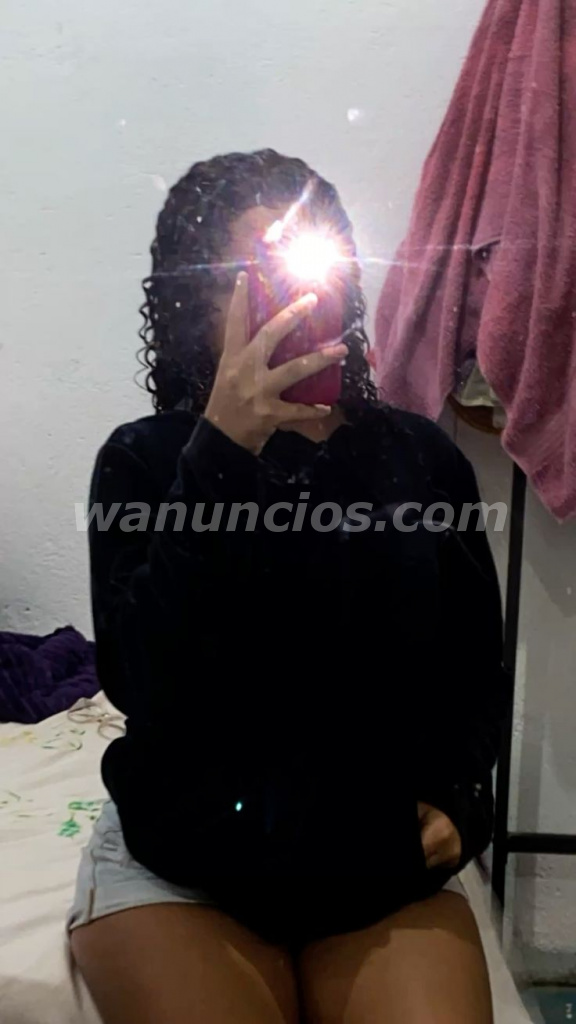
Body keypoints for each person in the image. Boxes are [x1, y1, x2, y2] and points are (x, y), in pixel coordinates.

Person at [68, 149, 509, 1024]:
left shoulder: (420, 458)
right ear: (198, 299)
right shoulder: (146, 460)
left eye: (316, 261)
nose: (300, 296)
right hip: (181, 863)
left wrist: (465, 799)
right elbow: (142, 680)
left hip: (374, 859)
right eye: (256, 273)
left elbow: (473, 665)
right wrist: (221, 455)